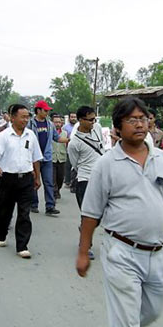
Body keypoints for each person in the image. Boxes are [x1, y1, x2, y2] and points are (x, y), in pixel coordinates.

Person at [76, 97, 163, 327]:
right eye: (131, 120)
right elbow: (90, 213)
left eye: (142, 119)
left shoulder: (162, 159)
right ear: (118, 128)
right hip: (121, 251)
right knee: (128, 324)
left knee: (151, 311)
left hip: (157, 252)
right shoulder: (106, 164)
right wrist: (83, 252)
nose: (139, 124)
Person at [0, 104, 42, 259]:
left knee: (24, 213)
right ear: (12, 117)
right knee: (4, 210)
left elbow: (36, 157)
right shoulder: (4, 135)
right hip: (7, 179)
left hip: (26, 179)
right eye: (22, 116)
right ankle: (1, 233)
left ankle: (22, 246)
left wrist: (37, 177)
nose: (25, 120)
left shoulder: (31, 135)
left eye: (27, 116)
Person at [67, 106, 104, 260]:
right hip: (85, 180)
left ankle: (84, 229)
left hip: (102, 178)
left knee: (99, 216)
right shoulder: (74, 143)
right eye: (90, 120)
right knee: (88, 214)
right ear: (81, 120)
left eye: (94, 119)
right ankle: (86, 245)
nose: (93, 122)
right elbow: (75, 163)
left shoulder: (97, 129)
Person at [28, 99, 69, 216]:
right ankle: (33, 204)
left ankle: (50, 206)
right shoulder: (30, 124)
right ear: (38, 110)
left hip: (47, 158)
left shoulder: (50, 124)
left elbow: (57, 138)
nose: (47, 112)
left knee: (49, 182)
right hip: (33, 158)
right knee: (34, 181)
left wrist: (69, 140)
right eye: (45, 110)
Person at [52, 114, 68, 200]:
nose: (57, 124)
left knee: (60, 178)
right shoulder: (49, 133)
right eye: (55, 122)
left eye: (59, 122)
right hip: (52, 158)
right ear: (52, 123)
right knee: (52, 178)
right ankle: (54, 193)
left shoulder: (65, 133)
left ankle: (58, 189)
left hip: (62, 158)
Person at [63, 111, 78, 191]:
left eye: (75, 117)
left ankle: (74, 182)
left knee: (75, 165)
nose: (73, 118)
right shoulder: (65, 127)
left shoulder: (79, 126)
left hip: (77, 149)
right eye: (72, 117)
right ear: (69, 118)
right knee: (68, 166)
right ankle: (68, 181)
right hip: (68, 148)